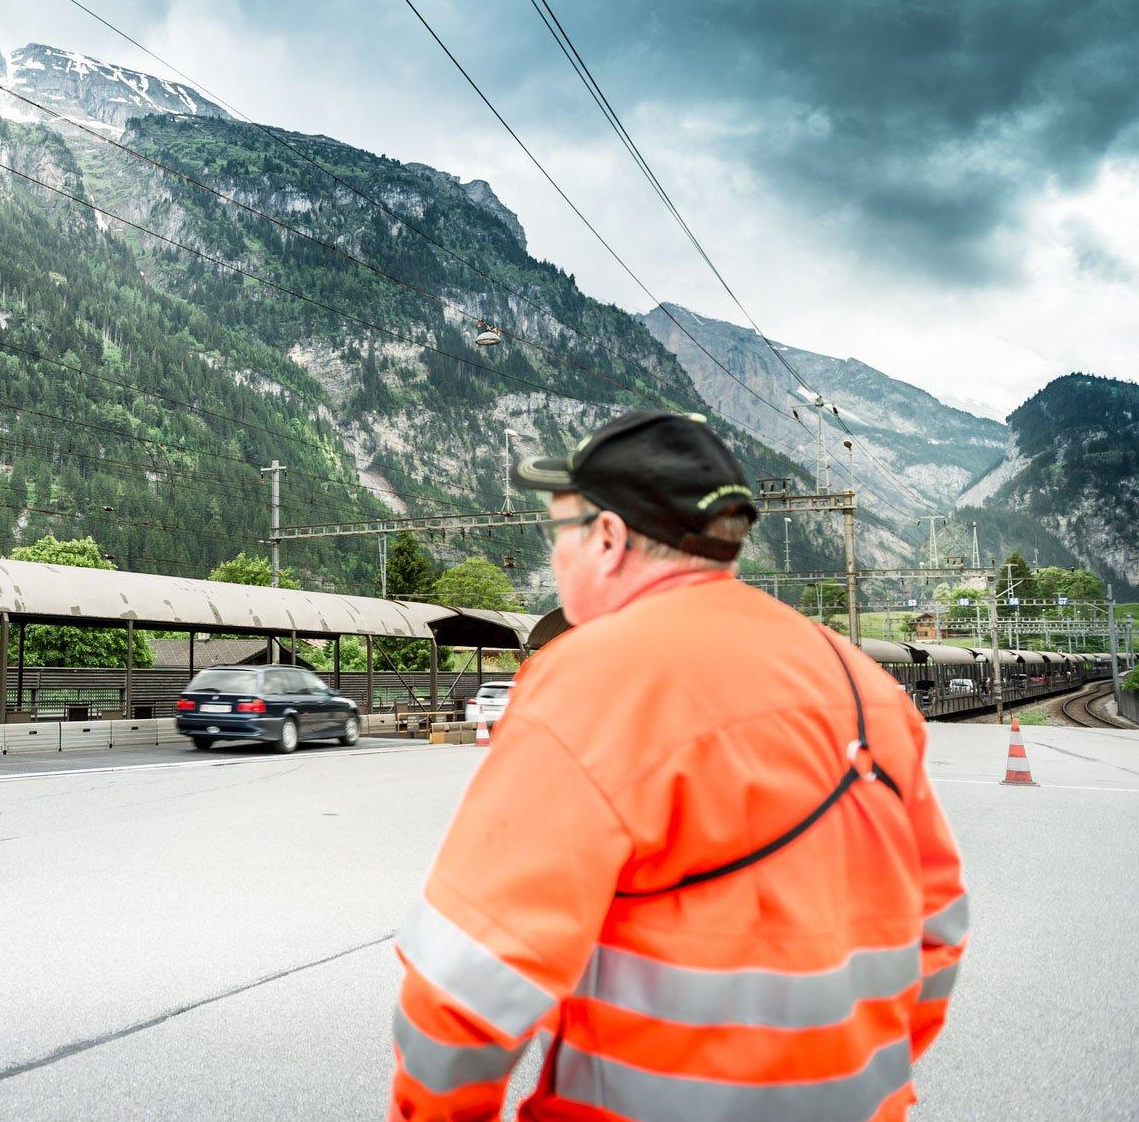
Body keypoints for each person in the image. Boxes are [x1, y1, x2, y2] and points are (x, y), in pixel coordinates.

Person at [388, 411, 967, 1121]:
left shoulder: (594, 681)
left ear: (607, 539)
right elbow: (938, 929)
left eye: (555, 533)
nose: (553, 559)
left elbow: (463, 985)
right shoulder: (862, 684)